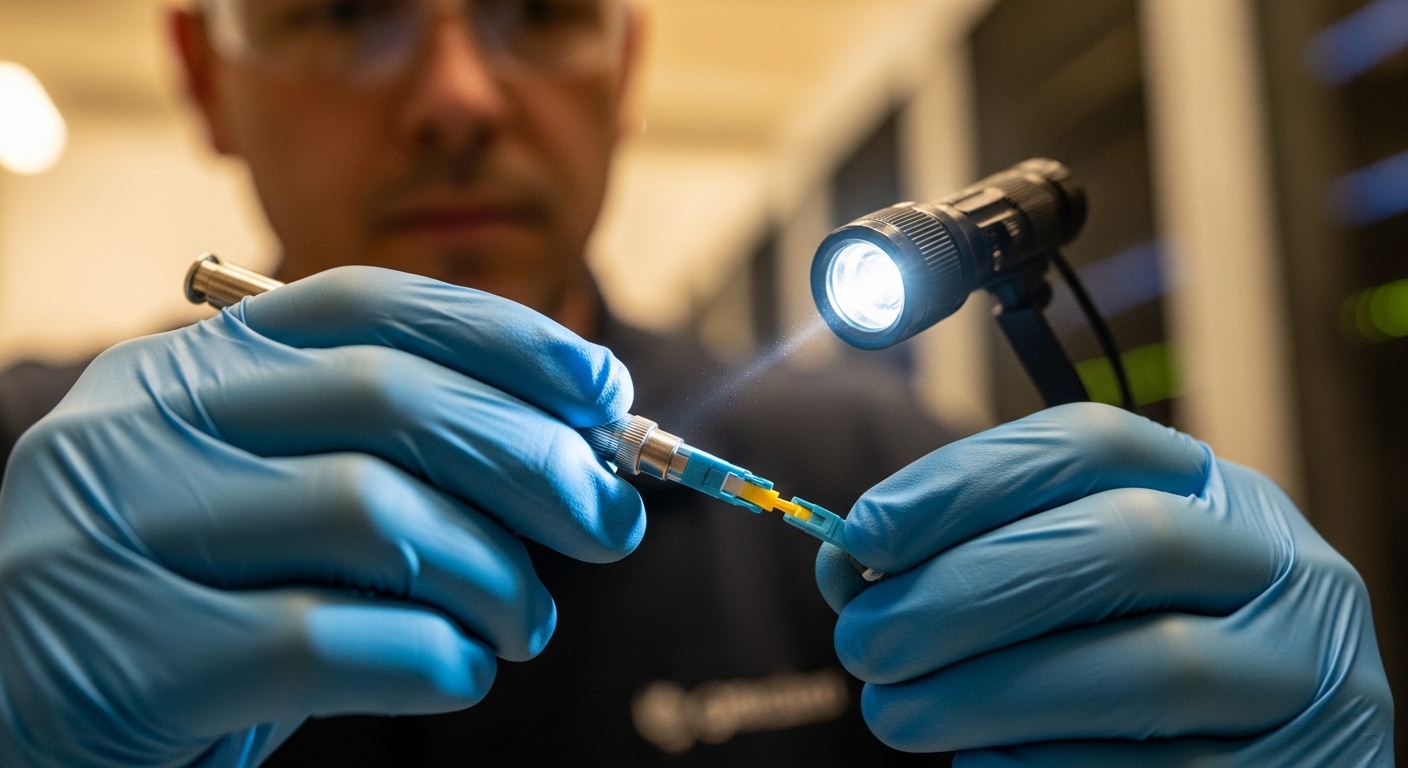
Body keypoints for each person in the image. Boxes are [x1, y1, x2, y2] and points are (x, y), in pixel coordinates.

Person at [0, 1, 1392, 766]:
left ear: (626, 66)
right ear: (203, 72)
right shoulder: (36, 486)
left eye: (537, 12)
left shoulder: (868, 458)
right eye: (346, 12)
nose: (458, 100)